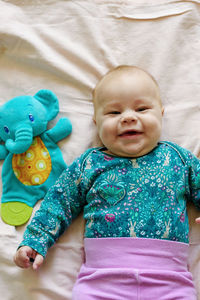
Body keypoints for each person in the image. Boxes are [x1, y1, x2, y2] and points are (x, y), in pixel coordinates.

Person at [14, 65, 200, 299]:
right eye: (113, 113)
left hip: (171, 283)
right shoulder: (90, 163)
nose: (129, 117)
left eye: (142, 109)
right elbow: (58, 202)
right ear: (96, 121)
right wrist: (35, 240)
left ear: (160, 113)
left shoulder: (179, 159)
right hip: (101, 281)